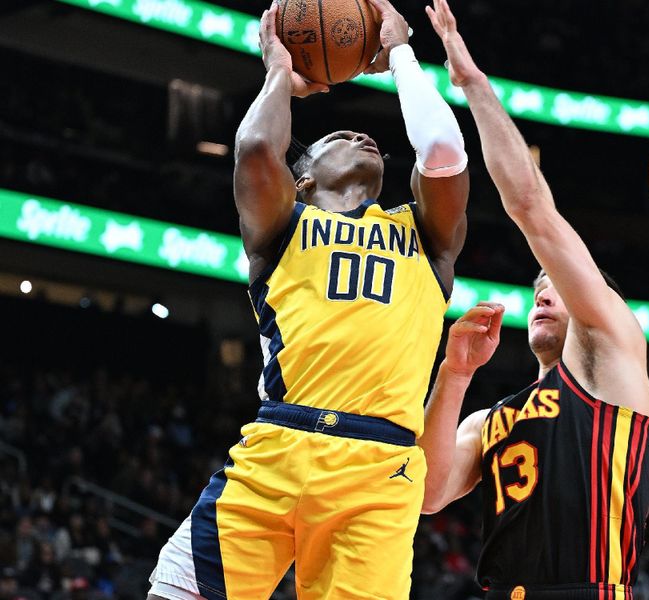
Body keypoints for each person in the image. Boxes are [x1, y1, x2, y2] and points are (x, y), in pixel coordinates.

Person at [147, 0, 469, 598]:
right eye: (336, 136)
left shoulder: (425, 236)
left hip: (380, 468)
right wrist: (280, 73)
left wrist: (400, 53)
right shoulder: (281, 225)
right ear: (302, 179)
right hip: (276, 449)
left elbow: (445, 155)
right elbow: (255, 152)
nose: (358, 133)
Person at [418, 1, 649, 598]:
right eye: (536, 291)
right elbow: (427, 495)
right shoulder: (493, 418)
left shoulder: (610, 359)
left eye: (556, 286)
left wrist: (472, 84)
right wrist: (453, 374)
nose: (543, 293)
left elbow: (531, 208)